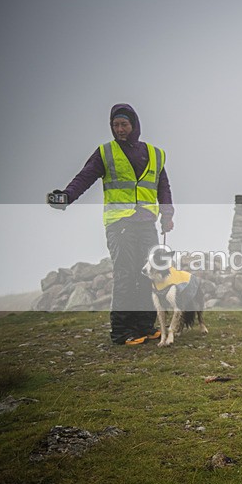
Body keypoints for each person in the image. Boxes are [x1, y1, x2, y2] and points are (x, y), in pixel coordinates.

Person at [48, 103, 174, 345]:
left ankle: (144, 326)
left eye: (124, 124)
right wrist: (66, 197)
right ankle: (122, 332)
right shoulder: (105, 153)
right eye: (115, 125)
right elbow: (84, 177)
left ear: (134, 125)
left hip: (147, 223)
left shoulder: (155, 154)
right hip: (120, 225)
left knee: (149, 275)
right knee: (125, 276)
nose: (119, 129)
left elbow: (163, 187)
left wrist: (167, 216)